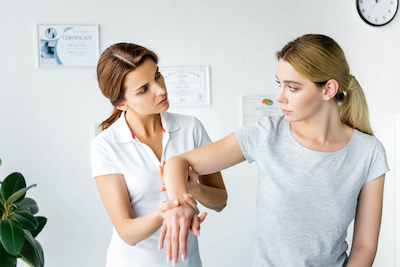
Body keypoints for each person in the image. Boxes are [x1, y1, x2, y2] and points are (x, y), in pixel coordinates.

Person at [158, 34, 390, 267]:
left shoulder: (368, 152)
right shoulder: (266, 133)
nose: (280, 97)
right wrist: (180, 205)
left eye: (293, 88)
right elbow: (178, 162)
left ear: (328, 89)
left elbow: (365, 246)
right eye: (280, 84)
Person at [90, 43, 227, 267]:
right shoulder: (106, 146)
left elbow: (221, 201)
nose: (160, 89)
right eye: (144, 89)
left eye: (158, 76)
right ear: (122, 103)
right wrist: (164, 213)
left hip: (187, 262)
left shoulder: (191, 128)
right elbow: (126, 231)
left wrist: (194, 188)